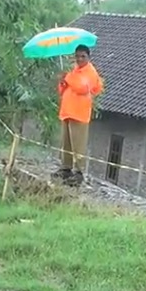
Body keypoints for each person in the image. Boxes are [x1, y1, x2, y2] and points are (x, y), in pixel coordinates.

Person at [51, 44, 103, 187]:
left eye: (83, 56)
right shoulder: (74, 70)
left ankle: (78, 173)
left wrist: (67, 77)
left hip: (79, 113)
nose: (79, 59)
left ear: (88, 57)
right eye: (77, 56)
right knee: (66, 143)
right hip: (68, 111)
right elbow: (64, 90)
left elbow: (82, 87)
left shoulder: (90, 72)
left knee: (78, 145)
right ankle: (66, 169)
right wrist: (62, 82)